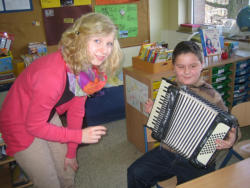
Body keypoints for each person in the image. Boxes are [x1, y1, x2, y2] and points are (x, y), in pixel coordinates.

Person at [0, 12, 122, 188]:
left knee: (67, 169)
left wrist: (71, 152)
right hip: (18, 122)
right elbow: (34, 126)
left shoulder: (87, 68)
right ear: (79, 39)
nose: (105, 50)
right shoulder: (51, 75)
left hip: (46, 114)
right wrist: (79, 136)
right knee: (48, 181)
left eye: (109, 43)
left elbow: (76, 111)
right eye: (97, 41)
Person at [127, 41, 237, 187]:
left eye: (193, 66)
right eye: (180, 66)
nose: (186, 72)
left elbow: (231, 125)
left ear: (202, 65)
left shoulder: (213, 96)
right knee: (135, 172)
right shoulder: (170, 90)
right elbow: (163, 125)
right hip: (168, 152)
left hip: (196, 160)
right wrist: (155, 113)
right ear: (173, 67)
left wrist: (232, 138)